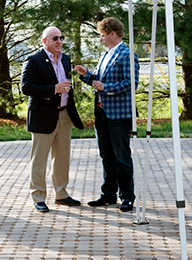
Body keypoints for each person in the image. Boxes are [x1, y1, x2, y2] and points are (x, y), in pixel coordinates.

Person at [73, 17, 139, 212]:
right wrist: (87, 76)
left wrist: (106, 87)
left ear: (112, 33)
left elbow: (131, 83)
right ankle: (108, 194)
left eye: (102, 35)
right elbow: (98, 81)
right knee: (106, 156)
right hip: (101, 113)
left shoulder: (127, 54)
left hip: (119, 115)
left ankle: (127, 196)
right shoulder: (105, 55)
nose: (100, 39)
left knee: (122, 156)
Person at [21, 26, 84, 213]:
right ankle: (38, 196)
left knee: (62, 158)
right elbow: (26, 87)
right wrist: (53, 89)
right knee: (39, 160)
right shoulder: (33, 60)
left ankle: (61, 194)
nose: (59, 41)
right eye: (55, 38)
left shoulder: (65, 58)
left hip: (64, 115)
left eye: (61, 38)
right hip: (43, 116)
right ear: (44, 41)